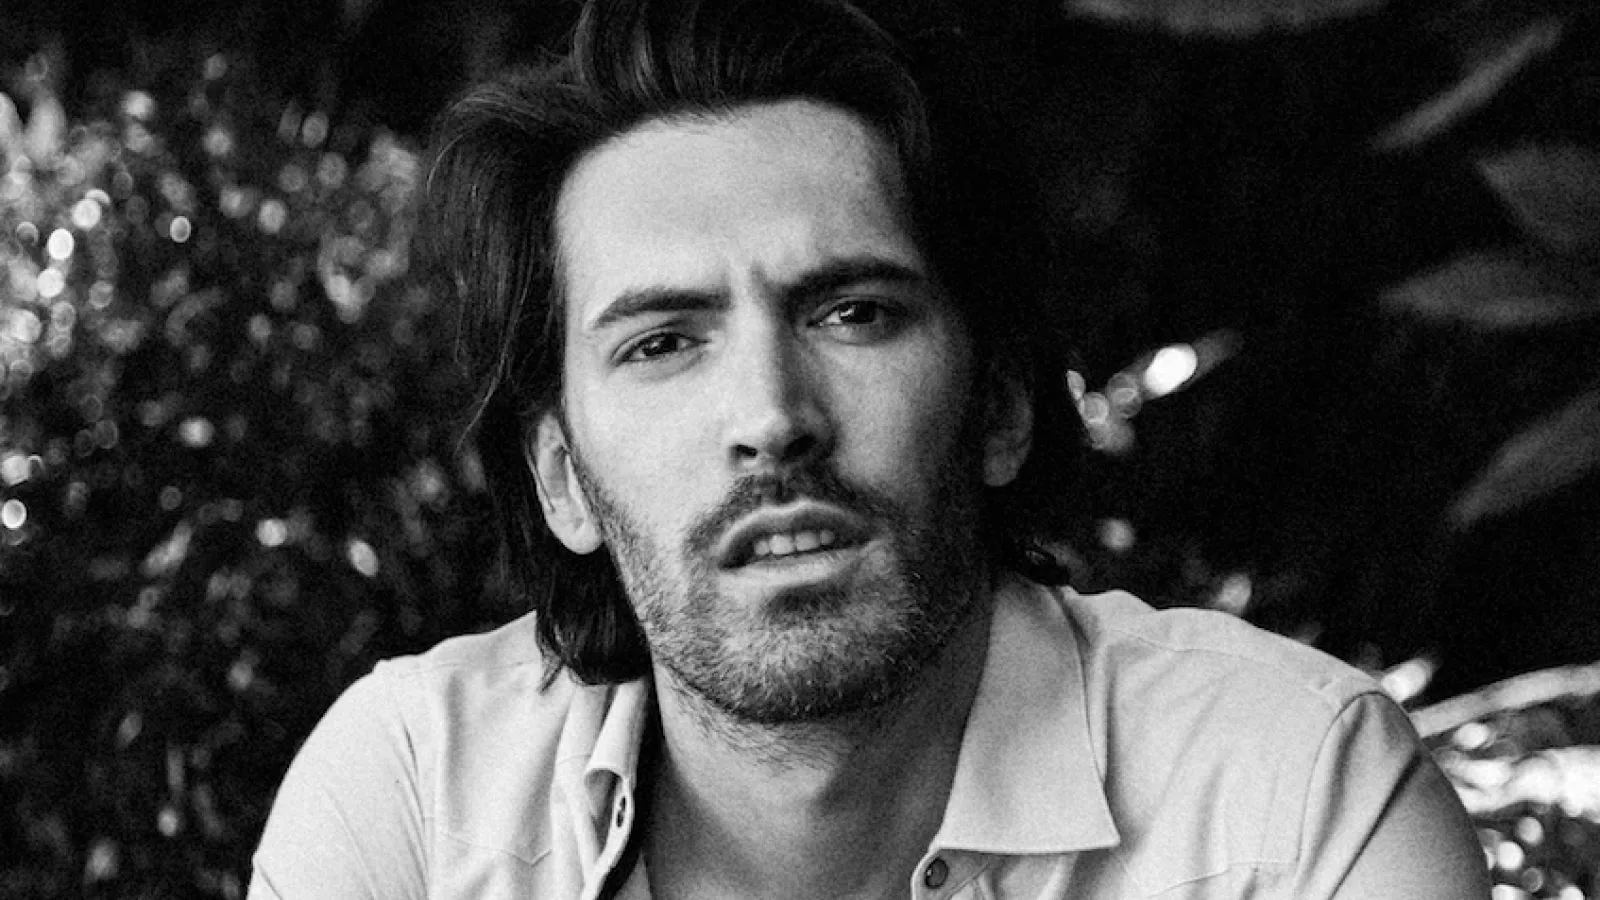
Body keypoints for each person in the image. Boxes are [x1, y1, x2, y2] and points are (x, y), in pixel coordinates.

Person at [248, 0, 1491, 896]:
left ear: (999, 406)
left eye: (852, 314)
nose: (771, 416)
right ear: (563, 479)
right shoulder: (416, 800)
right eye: (663, 343)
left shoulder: (1293, 802)